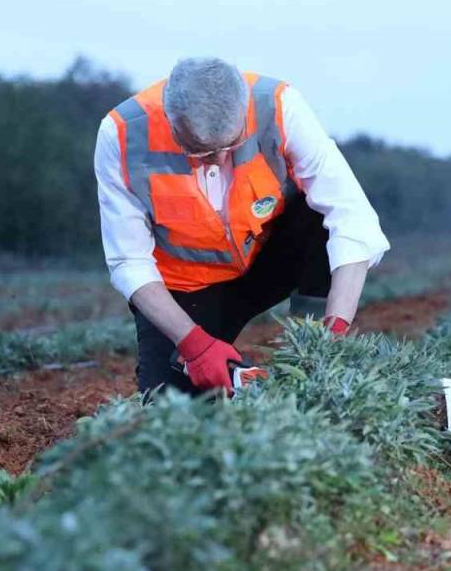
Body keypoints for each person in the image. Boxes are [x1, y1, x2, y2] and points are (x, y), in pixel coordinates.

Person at [95, 57, 390, 395]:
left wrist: (334, 330)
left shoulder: (279, 106)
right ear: (171, 122)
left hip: (266, 262)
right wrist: (194, 344)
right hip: (186, 290)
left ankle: (310, 353)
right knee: (171, 407)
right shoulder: (120, 136)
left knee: (319, 215)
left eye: (231, 146)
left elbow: (351, 216)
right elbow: (129, 261)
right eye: (202, 153)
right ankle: (233, 374)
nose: (220, 160)